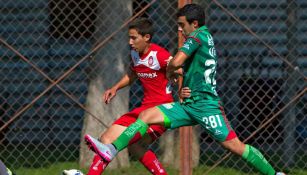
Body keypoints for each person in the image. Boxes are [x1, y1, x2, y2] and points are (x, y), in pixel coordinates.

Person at [84, 4, 286, 175]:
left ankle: (274, 173)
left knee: (234, 146)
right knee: (145, 116)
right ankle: (110, 150)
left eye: (182, 25)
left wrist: (171, 70)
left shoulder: (197, 37)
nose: (180, 30)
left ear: (194, 24)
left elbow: (177, 61)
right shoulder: (205, 38)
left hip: (206, 106)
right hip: (188, 104)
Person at [83, 17, 185, 175]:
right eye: (129, 38)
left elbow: (180, 71)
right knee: (106, 139)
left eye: (133, 38)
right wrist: (115, 87)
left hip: (160, 112)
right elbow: (133, 73)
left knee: (130, 144)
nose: (130, 42)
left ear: (146, 37)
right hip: (144, 109)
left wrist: (181, 92)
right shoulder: (135, 54)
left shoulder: (159, 54)